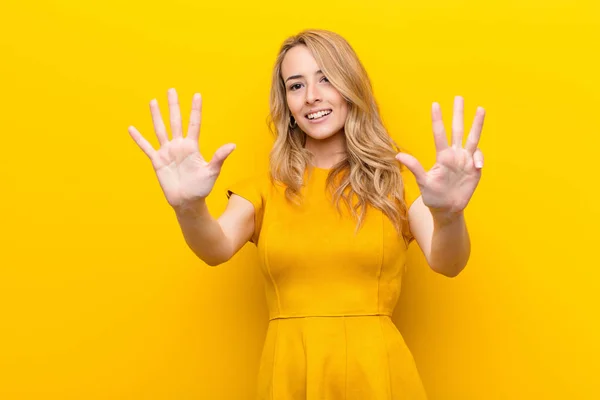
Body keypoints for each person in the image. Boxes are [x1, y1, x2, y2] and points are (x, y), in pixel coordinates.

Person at [128, 29, 485, 400]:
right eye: (295, 86)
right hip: (289, 375)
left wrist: (450, 215)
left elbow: (449, 262)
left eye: (326, 78)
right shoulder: (266, 187)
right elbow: (214, 248)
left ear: (351, 88)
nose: (311, 96)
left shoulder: (394, 184)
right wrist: (188, 207)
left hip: (379, 377)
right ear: (287, 105)